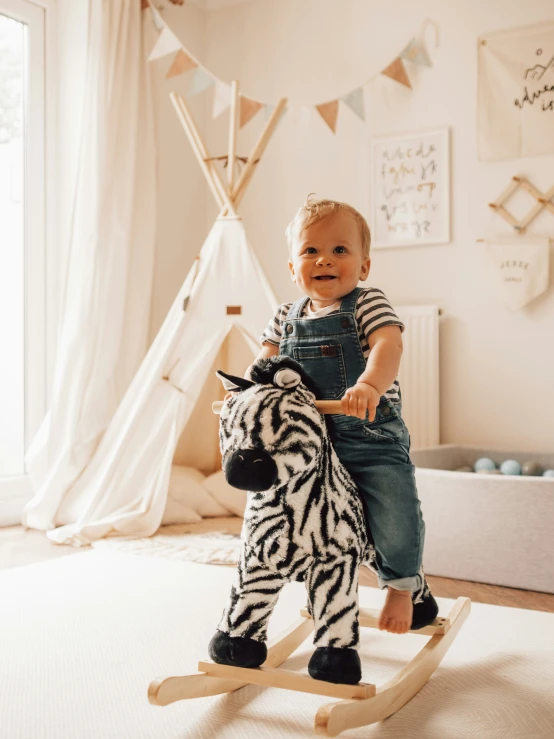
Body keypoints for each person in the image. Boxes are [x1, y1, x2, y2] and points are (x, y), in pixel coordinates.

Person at [240, 196, 436, 634]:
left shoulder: (367, 303)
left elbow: (389, 345)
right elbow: (264, 364)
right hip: (308, 444)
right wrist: (250, 393)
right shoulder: (283, 317)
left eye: (340, 250)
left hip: (368, 437)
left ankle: (403, 586)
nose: (324, 259)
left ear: (363, 267)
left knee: (393, 510)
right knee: (302, 515)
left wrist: (369, 384)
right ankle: (312, 580)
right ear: (293, 268)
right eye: (310, 250)